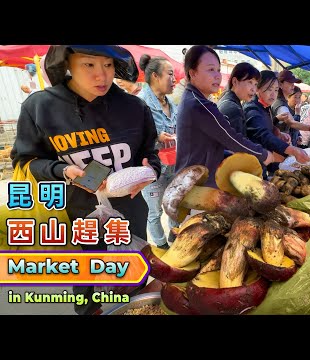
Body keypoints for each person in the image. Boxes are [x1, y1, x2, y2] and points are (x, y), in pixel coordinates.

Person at [11, 45, 162, 315]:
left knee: (135, 279)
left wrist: (151, 170)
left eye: (107, 64)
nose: (101, 76)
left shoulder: (133, 107)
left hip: (129, 213)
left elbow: (150, 153)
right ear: (68, 62)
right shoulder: (40, 107)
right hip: (78, 215)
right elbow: (26, 160)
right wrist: (62, 171)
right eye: (89, 65)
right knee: (86, 282)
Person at [175, 45, 286, 188]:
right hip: (196, 185)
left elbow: (217, 145)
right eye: (210, 69)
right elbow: (231, 138)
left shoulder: (195, 100)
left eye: (218, 70)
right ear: (193, 73)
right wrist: (264, 155)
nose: (217, 76)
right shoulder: (199, 105)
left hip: (196, 180)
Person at [137, 54, 178, 249]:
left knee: (174, 205)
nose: (174, 79)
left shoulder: (172, 104)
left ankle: (175, 238)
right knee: (154, 212)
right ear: (155, 76)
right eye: (170, 74)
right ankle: (161, 247)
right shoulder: (139, 103)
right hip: (152, 168)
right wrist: (155, 137)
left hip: (173, 164)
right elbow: (133, 137)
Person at [243, 70, 310, 178]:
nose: (273, 94)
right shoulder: (252, 109)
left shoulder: (265, 107)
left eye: (275, 90)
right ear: (257, 89)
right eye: (269, 89)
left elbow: (266, 125)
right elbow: (263, 135)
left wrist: (278, 132)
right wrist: (293, 150)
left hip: (261, 164)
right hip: (250, 167)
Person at [217, 62, 260, 137]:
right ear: (235, 81)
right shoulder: (233, 109)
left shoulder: (227, 100)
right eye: (250, 82)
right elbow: (239, 146)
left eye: (255, 84)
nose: (254, 89)